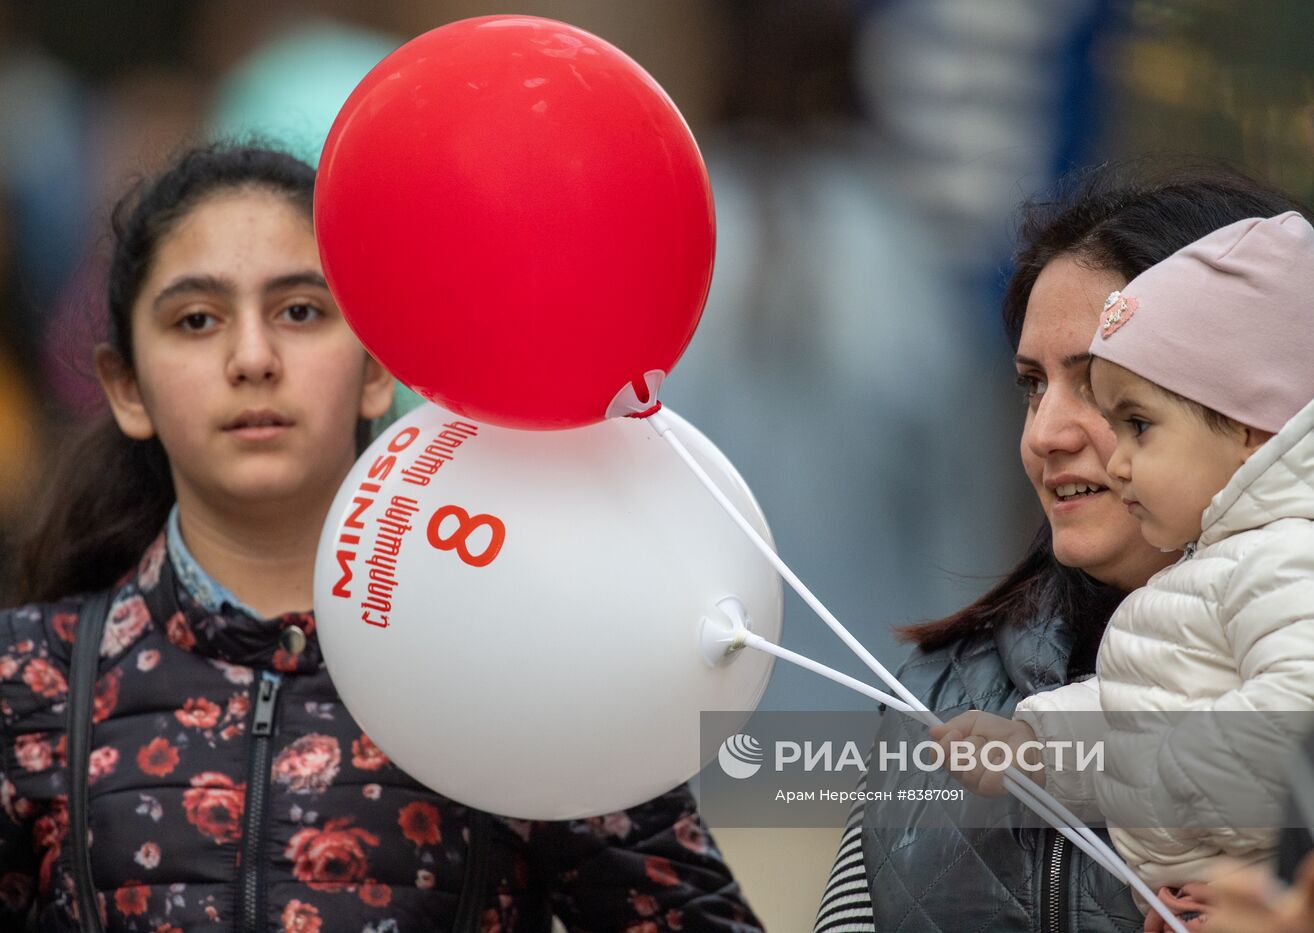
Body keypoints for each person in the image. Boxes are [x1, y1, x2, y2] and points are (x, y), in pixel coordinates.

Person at [0, 144, 762, 932]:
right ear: (126, 387)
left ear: (376, 367)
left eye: (300, 311)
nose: (253, 358)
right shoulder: (31, 677)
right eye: (197, 320)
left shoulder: (519, 665)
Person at [813, 163, 1314, 933]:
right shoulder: (940, 696)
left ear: (1257, 414)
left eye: (1107, 393)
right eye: (1031, 383)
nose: (1044, 434)